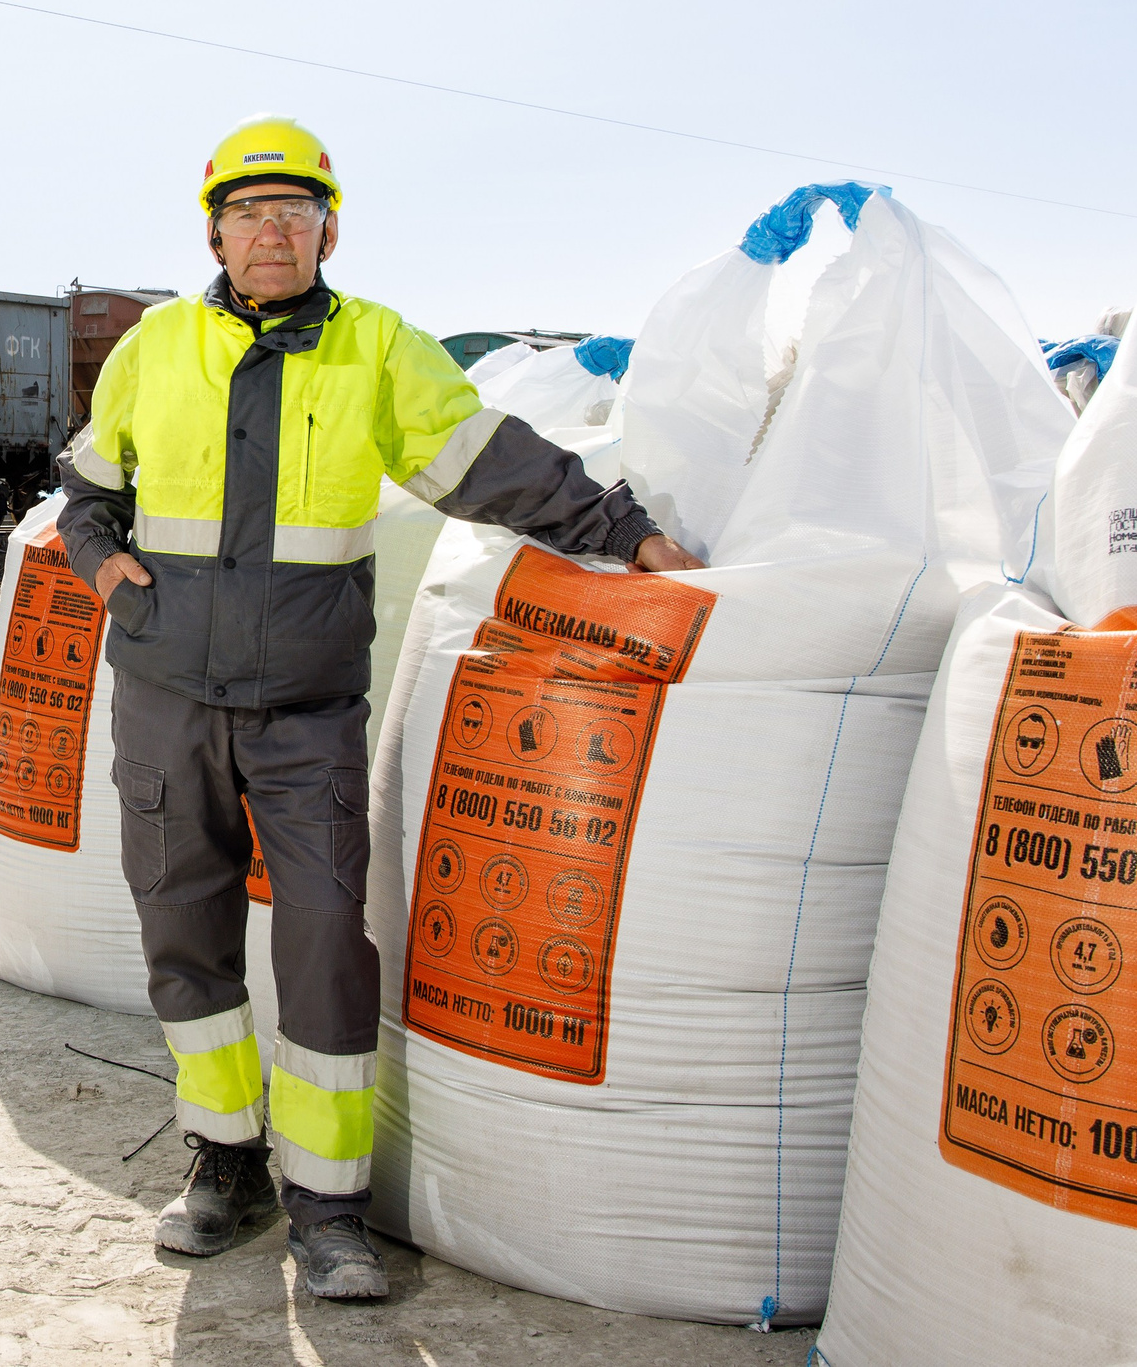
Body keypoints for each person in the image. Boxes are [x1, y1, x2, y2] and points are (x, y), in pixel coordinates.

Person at [56, 117, 701, 1301]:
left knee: (322, 943)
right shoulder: (154, 346)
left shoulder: (379, 350)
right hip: (164, 698)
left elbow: (489, 461)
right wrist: (103, 566)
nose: (271, 230)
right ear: (215, 230)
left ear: (328, 230)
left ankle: (329, 1206)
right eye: (249, 212)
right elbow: (86, 491)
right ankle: (225, 1162)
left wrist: (622, 534)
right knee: (182, 936)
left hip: (304, 712)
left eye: (294, 212)